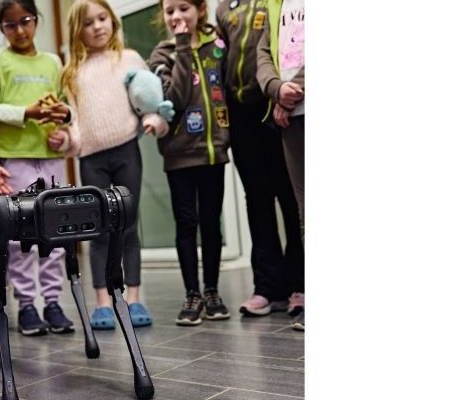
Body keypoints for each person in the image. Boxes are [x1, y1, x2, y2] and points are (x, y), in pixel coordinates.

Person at [58, 0, 166, 330]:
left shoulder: (129, 59)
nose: (98, 27)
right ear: (78, 30)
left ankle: (134, 298)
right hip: (91, 159)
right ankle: (103, 302)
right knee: (99, 229)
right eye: (89, 23)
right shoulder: (71, 73)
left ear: (112, 20)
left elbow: (147, 99)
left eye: (103, 18)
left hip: (126, 151)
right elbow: (73, 123)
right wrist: (66, 142)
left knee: (128, 224)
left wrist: (153, 119)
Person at [0, 0, 76, 336]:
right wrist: (26, 113)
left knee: (56, 232)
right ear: (2, 27)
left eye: (26, 21)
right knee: (19, 238)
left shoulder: (52, 61)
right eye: (10, 25)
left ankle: (53, 301)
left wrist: (64, 120)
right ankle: (28, 304)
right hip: (13, 158)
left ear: (37, 20)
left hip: (51, 160)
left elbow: (66, 107)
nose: (20, 30)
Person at [215, 0, 304, 320]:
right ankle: (268, 288)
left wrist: (280, 93)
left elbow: (281, 47)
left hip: (275, 105)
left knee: (290, 196)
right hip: (241, 114)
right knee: (257, 197)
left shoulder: (275, 2)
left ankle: (300, 284)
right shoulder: (224, 7)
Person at [149, 0, 232, 326]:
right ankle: (192, 293)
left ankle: (211, 290)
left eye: (183, 8)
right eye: (169, 11)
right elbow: (176, 97)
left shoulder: (217, 46)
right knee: (187, 223)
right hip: (180, 154)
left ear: (200, 9)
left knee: (211, 222)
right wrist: (183, 46)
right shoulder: (162, 54)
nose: (176, 17)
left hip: (213, 150)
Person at [255, 0, 305, 331]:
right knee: (305, 213)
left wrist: (295, 90)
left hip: (298, 101)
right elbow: (263, 54)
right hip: (292, 117)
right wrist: (277, 90)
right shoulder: (273, 3)